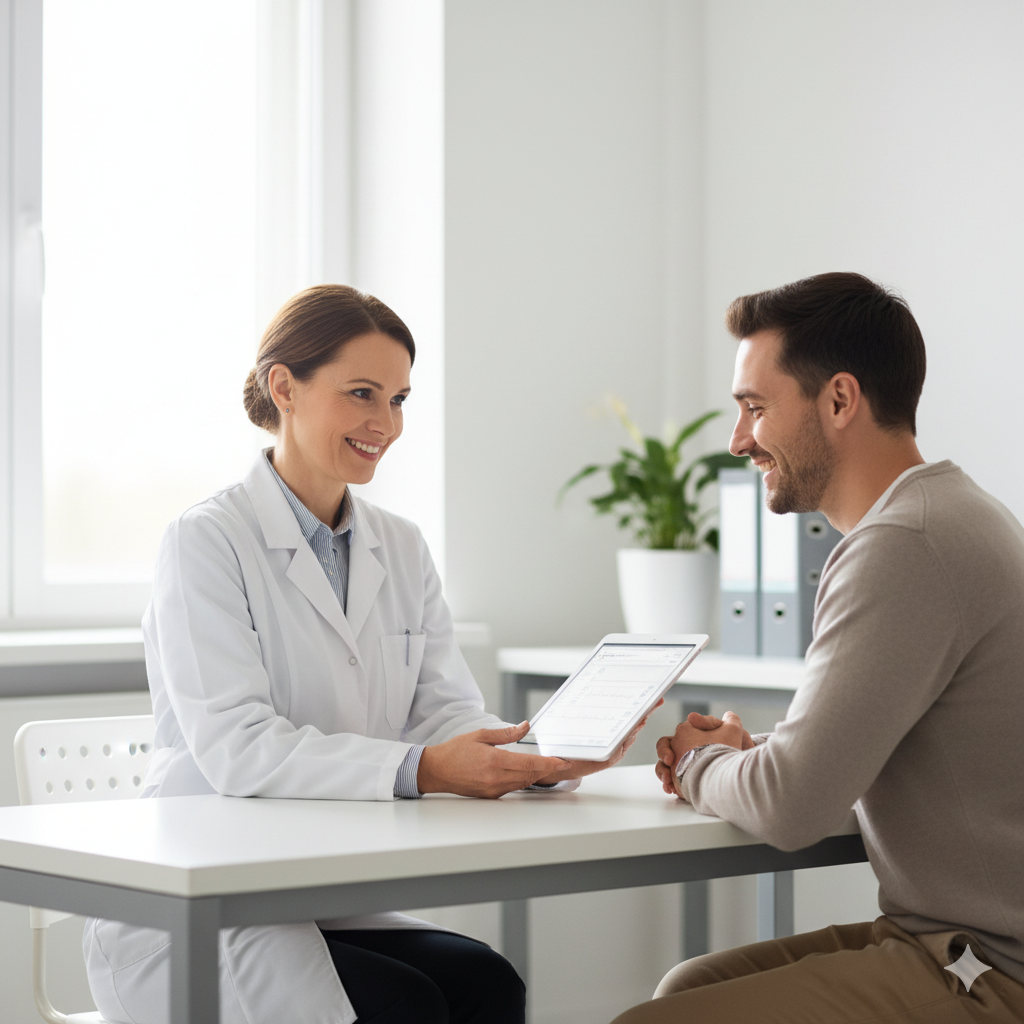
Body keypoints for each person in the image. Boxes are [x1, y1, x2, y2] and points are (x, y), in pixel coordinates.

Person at [83, 285, 641, 1024]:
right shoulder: (205, 542)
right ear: (284, 386)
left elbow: (444, 712)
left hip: (316, 893)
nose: (385, 424)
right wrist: (429, 768)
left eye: (400, 399)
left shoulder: (399, 545)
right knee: (407, 1006)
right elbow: (239, 750)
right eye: (361, 394)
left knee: (488, 984)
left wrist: (539, 756)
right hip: (207, 897)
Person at [613, 272, 1024, 1024]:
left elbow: (793, 805)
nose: (738, 440)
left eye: (755, 408)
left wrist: (704, 765)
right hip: (953, 941)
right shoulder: (947, 515)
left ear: (840, 400)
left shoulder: (906, 544)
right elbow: (880, 750)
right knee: (686, 992)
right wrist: (759, 754)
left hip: (990, 969)